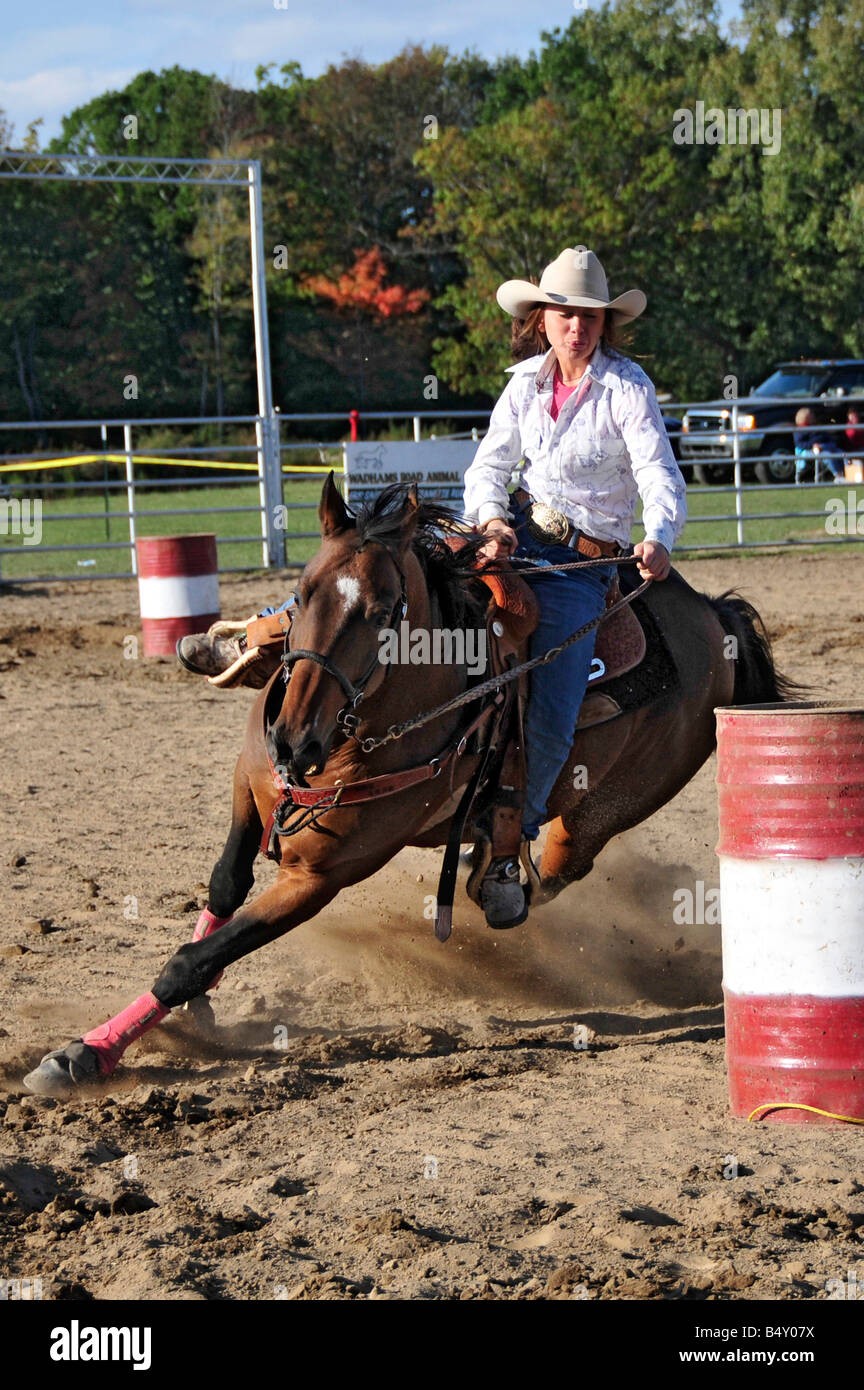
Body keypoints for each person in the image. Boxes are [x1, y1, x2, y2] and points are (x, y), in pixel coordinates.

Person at [463, 246, 687, 927]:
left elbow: (659, 473)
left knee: (553, 702)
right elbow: (488, 467)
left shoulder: (626, 388)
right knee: (406, 585)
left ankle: (509, 848)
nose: (576, 326)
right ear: (542, 318)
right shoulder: (524, 384)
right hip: (516, 538)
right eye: (564, 313)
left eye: (589, 316)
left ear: (603, 324)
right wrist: (494, 522)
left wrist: (658, 537)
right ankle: (274, 629)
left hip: (579, 568)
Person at [793, 407, 845, 483]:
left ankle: (848, 472)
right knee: (827, 454)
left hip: (826, 445)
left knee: (841, 452)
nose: (813, 416)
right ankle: (838, 475)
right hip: (811, 450)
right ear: (805, 417)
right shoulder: (800, 430)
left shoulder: (816, 426)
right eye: (811, 415)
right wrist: (812, 445)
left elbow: (825, 436)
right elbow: (800, 444)